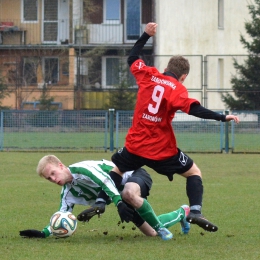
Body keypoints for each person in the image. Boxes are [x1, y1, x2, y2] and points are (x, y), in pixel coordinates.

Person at [81, 22, 240, 233]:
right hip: (161, 151)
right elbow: (194, 109)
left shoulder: (149, 75)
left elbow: (132, 58)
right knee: (194, 172)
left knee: (117, 168)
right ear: (183, 77)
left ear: (165, 68)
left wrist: (146, 35)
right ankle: (194, 211)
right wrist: (222, 117)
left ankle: (101, 201)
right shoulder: (177, 88)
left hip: (136, 146)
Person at [19, 155, 190, 240]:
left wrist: (118, 203)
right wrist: (44, 233)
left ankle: (161, 227)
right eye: (49, 178)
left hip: (133, 176)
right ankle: (183, 212)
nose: (54, 179)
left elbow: (107, 180)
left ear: (61, 166)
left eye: (53, 173)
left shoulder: (83, 169)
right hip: (120, 197)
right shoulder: (67, 194)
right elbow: (62, 215)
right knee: (150, 233)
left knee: (128, 194)